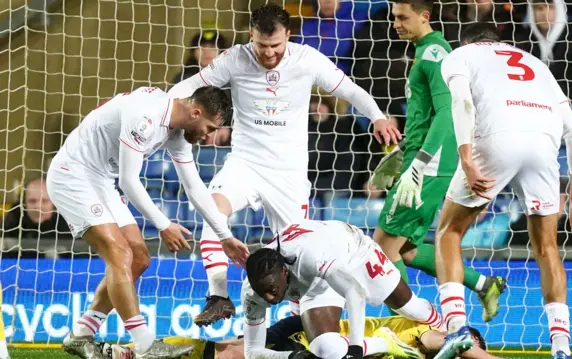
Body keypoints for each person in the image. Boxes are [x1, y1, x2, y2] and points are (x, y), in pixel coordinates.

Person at [168, 3, 401, 326]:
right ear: (251, 36)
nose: (268, 53)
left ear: (288, 36)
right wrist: (157, 107)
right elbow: (188, 87)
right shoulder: (235, 58)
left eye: (275, 46)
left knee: (298, 257)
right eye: (261, 46)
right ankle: (218, 296)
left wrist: (376, 116)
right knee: (211, 213)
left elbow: (348, 88)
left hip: (289, 173)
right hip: (245, 164)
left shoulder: (306, 59)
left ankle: (296, 325)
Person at [431, 23, 572, 359]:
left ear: (468, 42)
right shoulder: (535, 63)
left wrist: (466, 157)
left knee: (449, 232)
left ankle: (457, 329)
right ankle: (562, 347)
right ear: (500, 42)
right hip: (543, 145)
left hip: (496, 140)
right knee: (547, 247)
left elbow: (462, 101)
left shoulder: (459, 55)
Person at [47, 85, 244, 359]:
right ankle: (144, 344)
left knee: (139, 258)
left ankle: (82, 333)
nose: (209, 136)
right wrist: (163, 224)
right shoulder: (146, 116)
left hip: (101, 180)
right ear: (196, 112)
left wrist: (224, 236)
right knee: (119, 253)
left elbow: (194, 186)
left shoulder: (177, 132)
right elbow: (129, 182)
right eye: (210, 127)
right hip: (73, 176)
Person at [368, 0, 505, 322]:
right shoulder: (424, 51)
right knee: (405, 249)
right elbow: (428, 116)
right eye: (394, 18)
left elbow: (447, 113)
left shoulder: (434, 54)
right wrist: (403, 156)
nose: (396, 24)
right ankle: (485, 284)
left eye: (403, 17)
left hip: (428, 166)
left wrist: (419, 164)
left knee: (383, 247)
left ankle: (406, 327)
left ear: (424, 16)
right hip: (421, 160)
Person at [241, 219, 474, 359]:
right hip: (316, 281)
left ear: (284, 273)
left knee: (412, 309)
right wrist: (292, 356)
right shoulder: (252, 292)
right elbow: (252, 352)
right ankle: (387, 342)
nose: (269, 297)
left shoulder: (309, 257)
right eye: (263, 292)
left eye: (272, 289)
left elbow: (355, 293)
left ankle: (446, 327)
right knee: (326, 350)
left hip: (354, 251)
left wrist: (355, 348)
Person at [99, 315, 501, 359]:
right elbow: (445, 339)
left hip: (313, 336)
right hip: (313, 338)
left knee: (228, 351)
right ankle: (138, 351)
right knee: (232, 354)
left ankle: (137, 351)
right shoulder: (418, 336)